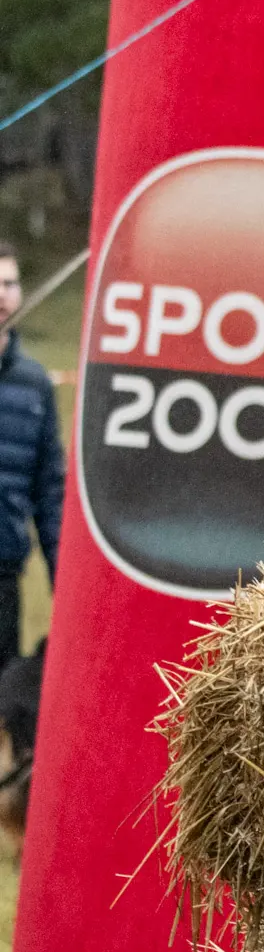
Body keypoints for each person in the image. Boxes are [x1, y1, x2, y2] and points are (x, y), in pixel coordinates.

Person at [0, 243, 64, 660]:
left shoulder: (34, 384)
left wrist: (64, 583)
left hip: (4, 578)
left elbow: (50, 491)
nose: (1, 294)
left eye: (8, 283)